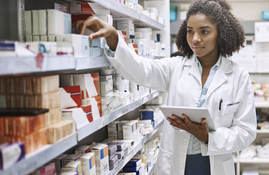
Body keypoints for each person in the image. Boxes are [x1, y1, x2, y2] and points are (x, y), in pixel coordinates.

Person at [79, 0, 256, 174]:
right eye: (190, 31)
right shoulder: (175, 67)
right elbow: (141, 70)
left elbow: (246, 131)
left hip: (215, 162)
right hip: (177, 163)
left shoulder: (238, 76)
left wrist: (209, 137)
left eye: (204, 31)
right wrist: (114, 37)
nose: (195, 39)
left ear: (221, 33)